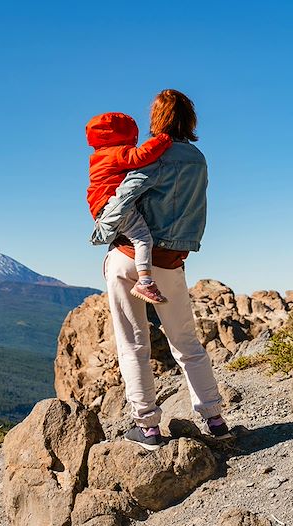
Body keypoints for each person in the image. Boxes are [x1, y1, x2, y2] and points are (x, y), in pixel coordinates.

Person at [93, 89, 231, 450]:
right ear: (190, 119)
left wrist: (103, 227)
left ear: (158, 119)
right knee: (186, 343)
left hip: (127, 257)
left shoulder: (154, 155)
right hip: (170, 262)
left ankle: (148, 428)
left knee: (133, 344)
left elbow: (123, 198)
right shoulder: (198, 160)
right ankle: (215, 420)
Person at [86, 112, 171, 305]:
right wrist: (163, 139)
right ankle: (145, 282)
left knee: (128, 234)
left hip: (101, 206)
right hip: (112, 204)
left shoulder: (98, 156)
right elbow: (140, 156)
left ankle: (117, 268)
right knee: (142, 237)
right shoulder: (116, 153)